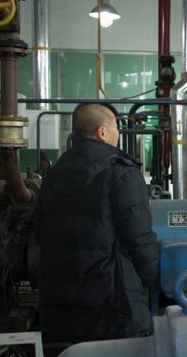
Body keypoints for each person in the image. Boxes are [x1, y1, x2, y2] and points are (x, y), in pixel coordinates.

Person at [35, 103, 159, 343]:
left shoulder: (55, 173)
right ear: (102, 132)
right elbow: (140, 239)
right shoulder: (121, 173)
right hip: (111, 306)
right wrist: (148, 279)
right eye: (116, 128)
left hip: (59, 307)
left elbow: (40, 233)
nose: (118, 133)